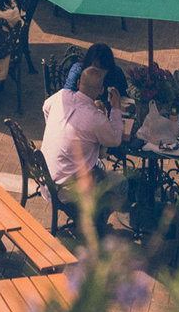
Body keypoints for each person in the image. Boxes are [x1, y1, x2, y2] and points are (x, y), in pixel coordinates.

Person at [41, 66, 124, 234]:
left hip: (47, 179)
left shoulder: (61, 96)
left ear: (78, 83)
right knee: (121, 183)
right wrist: (115, 109)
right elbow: (115, 140)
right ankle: (95, 220)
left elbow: (45, 107)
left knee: (98, 165)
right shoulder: (95, 118)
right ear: (101, 90)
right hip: (67, 190)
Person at [64, 42, 129, 100]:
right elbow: (67, 95)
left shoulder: (116, 72)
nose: (99, 72)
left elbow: (124, 94)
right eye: (96, 67)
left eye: (103, 68)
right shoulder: (77, 70)